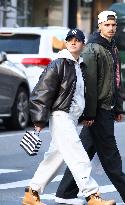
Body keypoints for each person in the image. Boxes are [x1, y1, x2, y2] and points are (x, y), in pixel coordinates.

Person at [55, 11, 125, 205]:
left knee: (84, 152)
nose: (111, 28)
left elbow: (116, 80)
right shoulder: (93, 49)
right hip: (97, 110)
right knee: (110, 153)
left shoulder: (111, 47)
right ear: (99, 26)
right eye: (107, 25)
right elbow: (89, 84)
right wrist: (89, 113)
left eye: (114, 25)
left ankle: (65, 193)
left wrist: (118, 108)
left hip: (106, 107)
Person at [22, 28, 116, 205]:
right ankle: (92, 195)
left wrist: (86, 114)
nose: (73, 42)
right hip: (60, 116)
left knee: (55, 158)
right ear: (65, 43)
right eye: (70, 40)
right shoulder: (59, 64)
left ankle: (32, 192)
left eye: (77, 40)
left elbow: (80, 94)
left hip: (70, 118)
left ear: (83, 44)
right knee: (78, 154)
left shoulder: (79, 65)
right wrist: (39, 121)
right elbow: (41, 92)